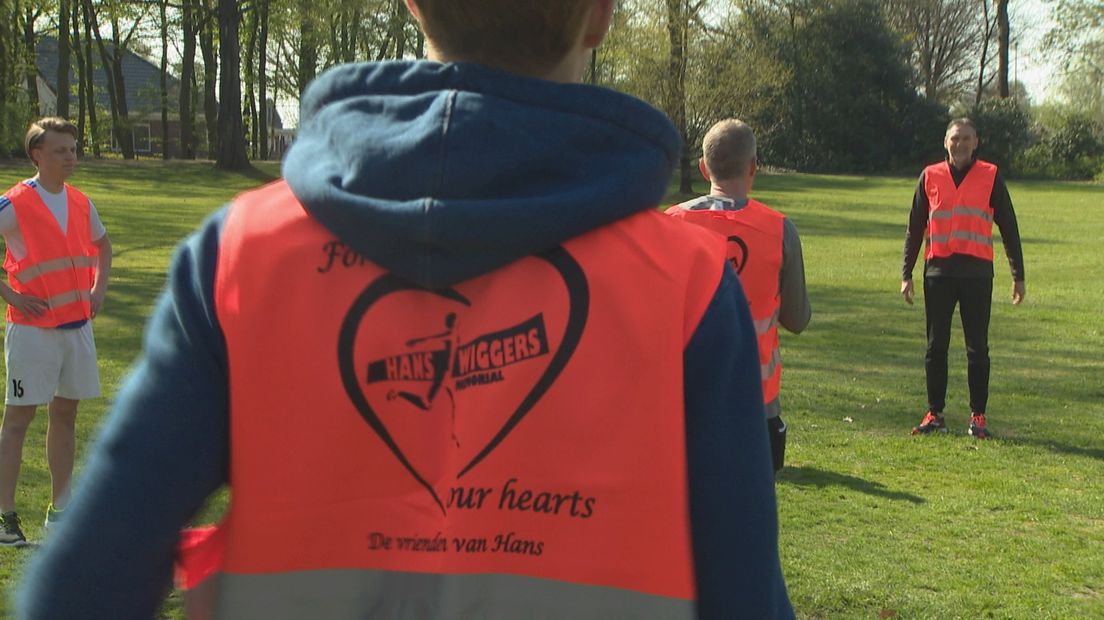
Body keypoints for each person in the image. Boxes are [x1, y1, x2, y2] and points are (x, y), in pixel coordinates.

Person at [17, 1, 794, 618]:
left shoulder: (243, 256)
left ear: (414, 4)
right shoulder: (684, 284)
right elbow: (745, 596)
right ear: (602, 14)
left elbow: (86, 580)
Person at [667, 119, 811, 475]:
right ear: (753, 167)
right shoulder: (779, 229)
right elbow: (797, 318)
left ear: (703, 168)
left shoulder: (670, 225)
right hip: (755, 398)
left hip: (687, 396)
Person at [0, 117, 111, 547]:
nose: (71, 156)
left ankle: (60, 510)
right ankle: (6, 518)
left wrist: (97, 290)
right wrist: (11, 295)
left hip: (76, 328)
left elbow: (103, 246)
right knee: (19, 419)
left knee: (66, 415)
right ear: (37, 156)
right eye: (61, 150)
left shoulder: (81, 202)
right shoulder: (14, 204)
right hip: (32, 332)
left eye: (73, 148)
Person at [902, 118, 1025, 439]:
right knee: (935, 347)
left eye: (966, 139)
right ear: (946, 142)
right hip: (938, 274)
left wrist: (1018, 275)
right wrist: (907, 273)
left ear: (976, 142)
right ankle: (935, 414)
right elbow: (915, 228)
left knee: (977, 349)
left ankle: (978, 417)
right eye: (955, 139)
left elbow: (1009, 227)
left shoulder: (991, 176)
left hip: (977, 274)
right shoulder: (930, 176)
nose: (960, 144)